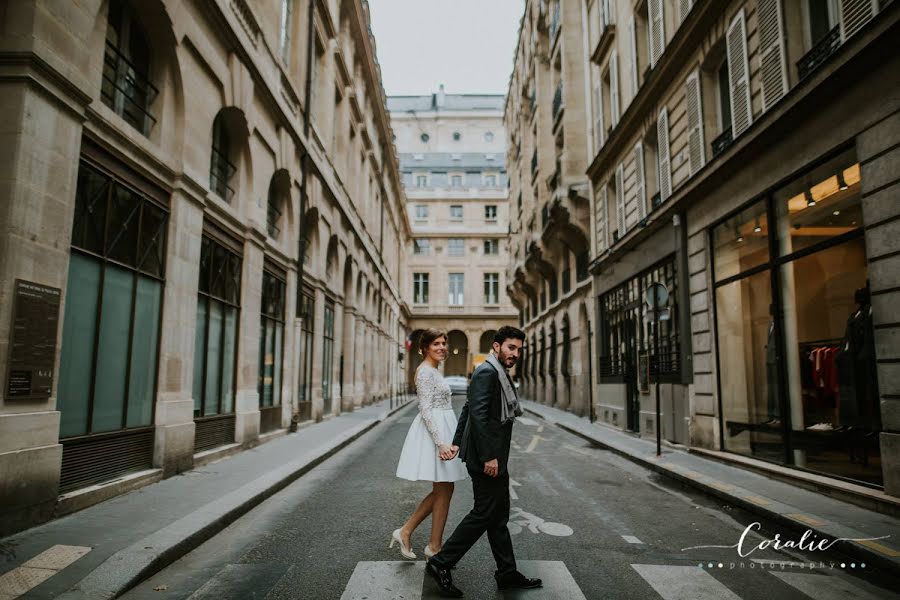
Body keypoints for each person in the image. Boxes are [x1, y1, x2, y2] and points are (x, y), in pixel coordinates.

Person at [425, 326, 542, 597]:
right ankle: (441, 562)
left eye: (519, 349)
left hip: (494, 456)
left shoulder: (497, 373)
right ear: (497, 345)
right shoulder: (488, 372)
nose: (515, 354)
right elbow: (477, 415)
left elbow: (467, 407)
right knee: (484, 513)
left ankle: (507, 572)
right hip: (486, 457)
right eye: (511, 347)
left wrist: (456, 441)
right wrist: (489, 455)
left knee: (498, 516)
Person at [392, 329, 468, 560]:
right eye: (436, 343)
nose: (442, 347)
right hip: (435, 432)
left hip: (444, 427)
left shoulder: (433, 370)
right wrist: (441, 443)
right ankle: (430, 545)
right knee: (444, 489)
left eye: (444, 343)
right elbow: (425, 409)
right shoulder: (425, 372)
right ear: (424, 348)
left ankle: (423, 540)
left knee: (445, 489)